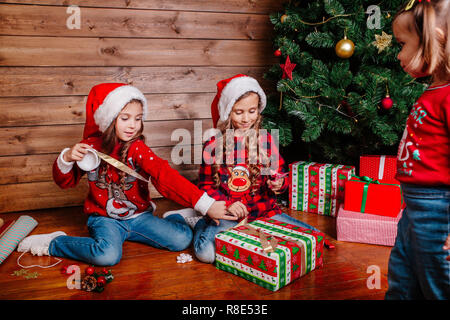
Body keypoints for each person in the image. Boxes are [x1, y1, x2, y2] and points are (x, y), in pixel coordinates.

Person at [17, 83, 235, 266]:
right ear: (109, 119)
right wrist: (66, 159)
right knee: (107, 256)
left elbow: (165, 175)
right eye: (125, 118)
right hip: (104, 219)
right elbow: (65, 182)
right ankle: (55, 243)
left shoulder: (137, 148)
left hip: (140, 217)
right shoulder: (89, 148)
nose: (133, 125)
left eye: (138, 118)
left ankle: (176, 217)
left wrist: (205, 205)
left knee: (182, 239)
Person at [165, 75, 321, 264]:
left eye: (252, 111)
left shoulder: (266, 142)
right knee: (206, 254)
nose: (246, 118)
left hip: (263, 212)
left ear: (259, 110)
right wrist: (228, 204)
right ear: (228, 112)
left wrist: (279, 183)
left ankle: (254, 232)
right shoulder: (213, 146)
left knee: (311, 238)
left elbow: (281, 175)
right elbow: (206, 186)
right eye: (239, 112)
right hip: (228, 216)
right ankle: (198, 222)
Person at [385, 0, 450, 299]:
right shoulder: (434, 90)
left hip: (438, 211)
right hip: (413, 207)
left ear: (434, 39)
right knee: (402, 277)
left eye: (401, 44)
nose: (398, 54)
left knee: (438, 283)